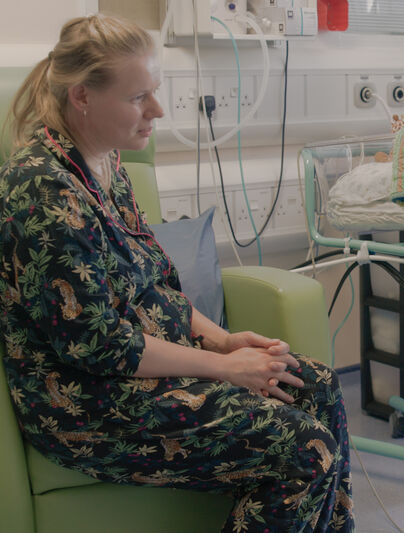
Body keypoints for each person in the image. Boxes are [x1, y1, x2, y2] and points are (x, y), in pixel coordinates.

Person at [0, 14, 354, 533]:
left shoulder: (106, 164)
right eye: (138, 97)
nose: (156, 111)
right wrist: (226, 369)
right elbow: (100, 346)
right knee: (305, 449)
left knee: (317, 385)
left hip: (150, 372)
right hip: (85, 403)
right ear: (82, 97)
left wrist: (223, 341)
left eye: (155, 92)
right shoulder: (41, 191)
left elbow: (156, 287)